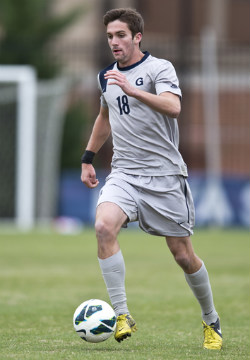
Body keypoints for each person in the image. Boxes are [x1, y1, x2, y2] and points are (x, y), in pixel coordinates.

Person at [81, 8, 222, 350]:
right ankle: (122, 314)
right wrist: (88, 158)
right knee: (103, 227)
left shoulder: (160, 69)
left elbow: (173, 107)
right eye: (110, 37)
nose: (114, 42)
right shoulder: (106, 77)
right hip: (125, 173)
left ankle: (211, 319)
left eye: (121, 36)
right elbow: (105, 116)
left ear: (137, 37)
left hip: (164, 176)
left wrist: (133, 89)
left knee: (183, 256)